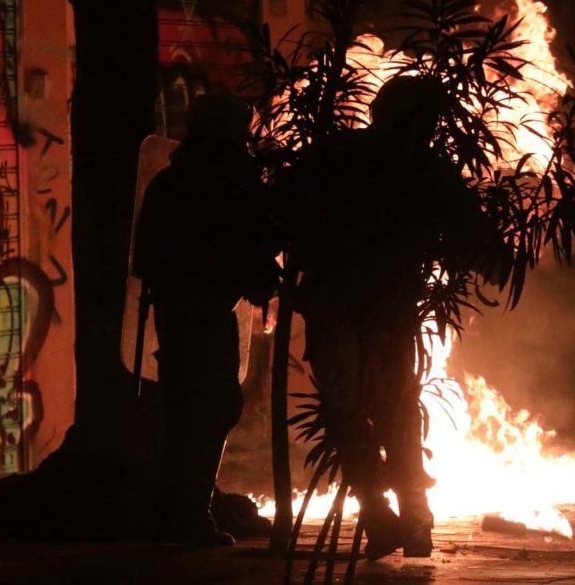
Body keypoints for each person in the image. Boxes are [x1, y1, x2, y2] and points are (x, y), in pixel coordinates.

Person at [285, 76, 486, 559]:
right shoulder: (422, 167)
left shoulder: (339, 155)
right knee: (386, 412)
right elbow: (467, 231)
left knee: (353, 409)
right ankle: (405, 518)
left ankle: (389, 513)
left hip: (349, 306)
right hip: (375, 308)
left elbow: (288, 211)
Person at [132, 93, 280, 547]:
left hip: (177, 312)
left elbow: (146, 259)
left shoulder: (172, 181)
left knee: (187, 412)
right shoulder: (229, 181)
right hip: (204, 313)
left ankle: (176, 511)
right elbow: (251, 240)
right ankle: (189, 515)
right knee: (212, 407)